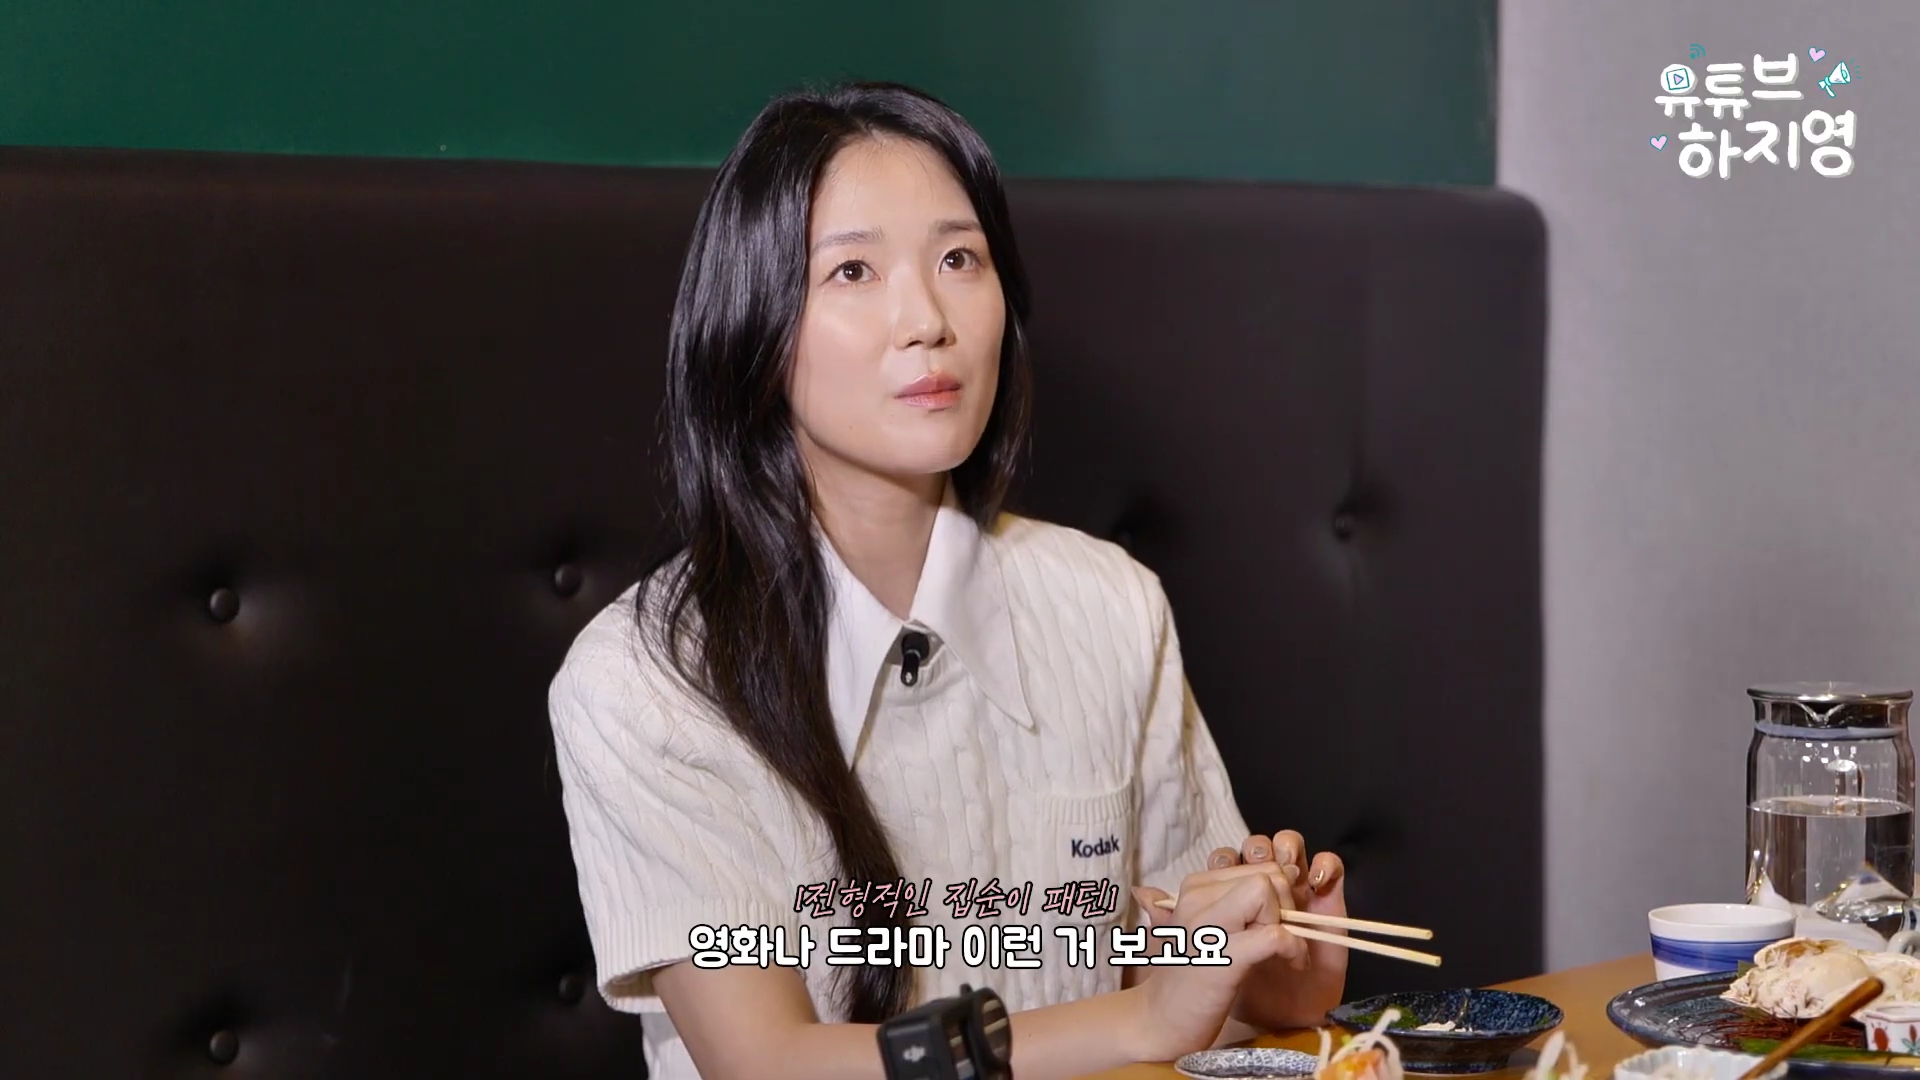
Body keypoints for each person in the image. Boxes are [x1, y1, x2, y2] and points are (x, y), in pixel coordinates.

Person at [546, 80, 1350, 1080]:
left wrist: (1269, 980)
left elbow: (1176, 980)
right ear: (753, 325)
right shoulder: (645, 680)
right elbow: (765, 1062)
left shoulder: (1109, 603)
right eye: (851, 270)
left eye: (959, 259)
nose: (926, 319)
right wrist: (1145, 1024)